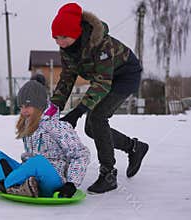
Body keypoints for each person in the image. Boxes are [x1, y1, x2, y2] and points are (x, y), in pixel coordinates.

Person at [49, 3, 149, 194]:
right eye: (56, 38)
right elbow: (68, 77)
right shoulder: (68, 49)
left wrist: (78, 111)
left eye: (64, 37)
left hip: (125, 76)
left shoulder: (101, 44)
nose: (60, 42)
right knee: (91, 128)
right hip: (106, 79)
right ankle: (134, 147)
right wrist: (55, 106)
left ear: (76, 32)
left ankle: (108, 174)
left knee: (97, 118)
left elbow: (103, 83)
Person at [0, 80, 90, 198]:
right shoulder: (30, 124)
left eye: (27, 106)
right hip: (31, 173)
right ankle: (20, 185)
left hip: (54, 180)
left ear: (39, 105)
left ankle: (4, 181)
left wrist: (71, 184)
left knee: (37, 162)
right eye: (21, 107)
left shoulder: (58, 127)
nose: (23, 111)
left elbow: (81, 155)